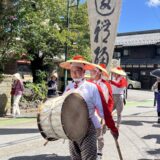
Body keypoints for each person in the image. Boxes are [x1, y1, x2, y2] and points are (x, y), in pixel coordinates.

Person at [60, 55, 118, 160]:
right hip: (71, 128)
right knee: (75, 158)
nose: (74, 73)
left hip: (88, 127)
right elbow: (61, 107)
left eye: (77, 70)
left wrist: (113, 128)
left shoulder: (92, 88)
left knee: (89, 158)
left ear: (83, 72)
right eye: (72, 71)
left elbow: (103, 110)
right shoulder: (69, 87)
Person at [85, 63, 114, 160]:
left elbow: (109, 102)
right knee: (87, 133)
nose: (91, 72)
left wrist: (106, 116)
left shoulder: (106, 85)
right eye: (91, 70)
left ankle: (99, 152)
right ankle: (88, 151)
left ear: (99, 72)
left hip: (100, 113)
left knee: (99, 134)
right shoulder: (88, 83)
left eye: (94, 70)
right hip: (88, 112)